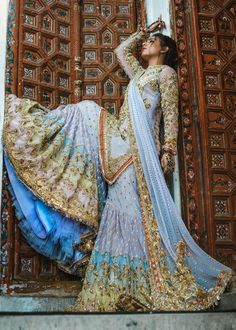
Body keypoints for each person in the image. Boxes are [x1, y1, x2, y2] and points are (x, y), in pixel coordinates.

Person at [3, 21, 233, 312]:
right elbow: (122, 51)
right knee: (85, 111)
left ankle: (124, 279)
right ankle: (38, 130)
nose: (147, 45)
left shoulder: (166, 74)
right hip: (122, 141)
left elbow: (170, 115)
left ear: (165, 49)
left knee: (123, 209)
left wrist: (168, 149)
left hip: (140, 151)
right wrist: (142, 31)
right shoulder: (140, 75)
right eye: (147, 42)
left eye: (153, 41)